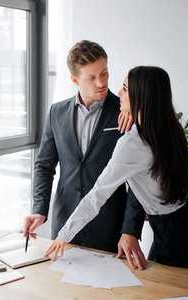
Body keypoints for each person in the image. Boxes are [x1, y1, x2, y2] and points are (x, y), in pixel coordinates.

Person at [45, 66, 188, 270]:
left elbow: (97, 195)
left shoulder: (133, 143)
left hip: (177, 229)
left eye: (125, 89)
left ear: (142, 96)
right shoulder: (163, 126)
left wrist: (64, 235)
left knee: (169, 291)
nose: (119, 93)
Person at [24, 40, 147, 270]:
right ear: (74, 80)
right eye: (91, 78)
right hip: (64, 221)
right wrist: (39, 208)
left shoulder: (125, 110)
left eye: (104, 73)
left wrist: (130, 229)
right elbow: (44, 166)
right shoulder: (56, 112)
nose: (101, 83)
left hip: (109, 225)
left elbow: (138, 178)